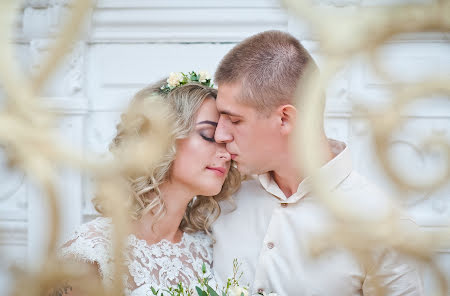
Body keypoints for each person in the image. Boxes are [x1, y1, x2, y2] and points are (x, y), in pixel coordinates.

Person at [212, 30, 424, 295]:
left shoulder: (383, 225)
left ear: (285, 119)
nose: (220, 134)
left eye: (235, 120)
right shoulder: (219, 196)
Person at [59, 73, 240, 295]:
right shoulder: (93, 253)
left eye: (227, 141)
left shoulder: (208, 250)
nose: (226, 154)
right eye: (209, 135)